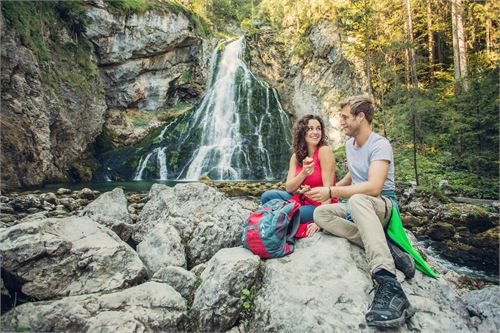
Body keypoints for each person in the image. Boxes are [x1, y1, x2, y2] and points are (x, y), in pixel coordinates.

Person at [306, 95, 415, 328]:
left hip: (382, 204)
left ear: (361, 117)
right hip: (357, 205)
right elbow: (353, 176)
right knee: (321, 215)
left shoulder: (379, 144)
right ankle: (388, 248)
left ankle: (388, 283)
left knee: (357, 200)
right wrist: (328, 194)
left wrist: (332, 189)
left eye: (345, 117)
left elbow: (374, 187)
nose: (341, 122)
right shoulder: (349, 145)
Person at [261, 114, 336, 237]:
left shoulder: (324, 151)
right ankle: (276, 219)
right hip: (302, 199)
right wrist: (303, 173)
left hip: (320, 205)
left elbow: (329, 189)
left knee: (292, 215)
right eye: (310, 128)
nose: (315, 132)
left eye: (318, 128)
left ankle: (274, 220)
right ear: (302, 132)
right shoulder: (296, 157)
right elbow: (289, 188)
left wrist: (321, 219)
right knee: (267, 196)